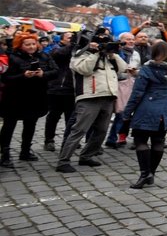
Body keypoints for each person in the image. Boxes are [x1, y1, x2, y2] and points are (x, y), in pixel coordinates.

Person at [57, 28, 130, 173]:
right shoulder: (79, 55)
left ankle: (86, 156)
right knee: (79, 130)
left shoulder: (108, 57)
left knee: (101, 130)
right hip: (89, 97)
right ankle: (63, 160)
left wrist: (111, 53)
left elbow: (123, 68)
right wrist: (95, 52)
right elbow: (85, 69)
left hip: (108, 97)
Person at [122, 41, 167, 189]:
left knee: (141, 141)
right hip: (166, 108)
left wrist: (127, 113)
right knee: (158, 141)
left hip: (147, 107)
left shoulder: (148, 69)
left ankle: (144, 173)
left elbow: (137, 93)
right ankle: (151, 173)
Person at [1, 32, 58, 167]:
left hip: (36, 96)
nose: (31, 47)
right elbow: (5, 78)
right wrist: (23, 75)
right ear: (20, 46)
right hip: (15, 97)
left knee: (30, 124)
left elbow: (55, 71)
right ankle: (5, 154)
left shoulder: (44, 56)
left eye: (33, 44)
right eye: (27, 44)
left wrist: (43, 74)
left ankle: (25, 151)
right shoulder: (12, 57)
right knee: (9, 125)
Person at [105, 32, 138, 149]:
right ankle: (94, 141)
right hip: (111, 84)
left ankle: (112, 138)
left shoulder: (135, 54)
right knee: (106, 114)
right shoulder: (115, 52)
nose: (131, 41)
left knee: (121, 113)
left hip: (126, 85)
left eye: (132, 39)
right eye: (128, 39)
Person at [44, 32, 75, 152]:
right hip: (56, 89)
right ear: (62, 40)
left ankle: (68, 140)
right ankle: (49, 140)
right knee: (53, 116)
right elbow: (57, 54)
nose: (72, 40)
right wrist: (72, 45)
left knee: (70, 118)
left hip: (71, 90)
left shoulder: (77, 51)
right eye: (69, 38)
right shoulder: (56, 48)